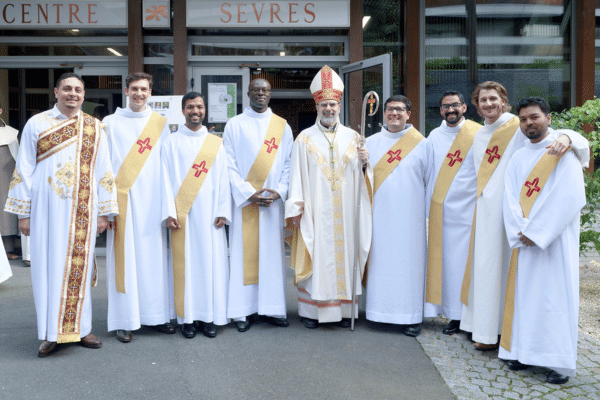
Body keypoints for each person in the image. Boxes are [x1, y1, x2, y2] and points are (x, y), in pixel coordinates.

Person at [460, 81, 589, 350]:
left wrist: (569, 137)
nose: (488, 104)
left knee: (510, 272)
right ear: (476, 105)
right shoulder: (480, 135)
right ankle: (484, 330)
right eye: (483, 100)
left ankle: (508, 333)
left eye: (493, 99)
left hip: (514, 213)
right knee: (486, 269)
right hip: (487, 212)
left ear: (503, 100)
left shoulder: (516, 126)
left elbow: (559, 137)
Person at [4, 73, 117, 357]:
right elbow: (24, 169)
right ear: (56, 92)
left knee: (80, 268)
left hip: (83, 211)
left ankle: (82, 329)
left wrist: (105, 212)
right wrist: (23, 214)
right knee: (47, 270)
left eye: (78, 90)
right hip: (45, 211)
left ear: (84, 95)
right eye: (67, 89)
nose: (73, 94)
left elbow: (104, 171)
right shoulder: (37, 124)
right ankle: (50, 333)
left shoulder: (94, 127)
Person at [500, 97, 585, 384]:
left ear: (548, 118)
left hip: (554, 243)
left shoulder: (563, 152)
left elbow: (570, 196)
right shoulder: (518, 156)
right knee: (526, 300)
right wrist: (520, 230)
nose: (528, 123)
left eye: (534, 117)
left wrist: (537, 233)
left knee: (554, 300)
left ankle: (558, 363)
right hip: (525, 242)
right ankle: (525, 353)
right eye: (523, 119)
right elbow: (508, 197)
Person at [285, 65, 372, 329]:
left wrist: (366, 164)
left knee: (346, 254)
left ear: (339, 105)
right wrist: (297, 208)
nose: (329, 109)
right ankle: (312, 313)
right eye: (324, 104)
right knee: (318, 253)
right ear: (317, 106)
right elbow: (296, 176)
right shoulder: (304, 139)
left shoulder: (355, 138)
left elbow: (364, 178)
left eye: (333, 104)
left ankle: (346, 312)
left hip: (346, 210)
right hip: (316, 209)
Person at [104, 72, 175, 343]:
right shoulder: (110, 123)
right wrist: (107, 207)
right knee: (124, 262)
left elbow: (166, 167)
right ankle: (125, 320)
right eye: (134, 89)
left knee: (153, 262)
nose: (139, 94)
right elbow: (104, 167)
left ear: (150, 92)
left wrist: (168, 207)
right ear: (126, 90)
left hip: (152, 203)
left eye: (144, 89)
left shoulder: (160, 124)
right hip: (123, 202)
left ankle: (155, 317)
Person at [223, 78, 293, 332]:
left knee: (272, 258)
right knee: (244, 256)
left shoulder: (282, 127)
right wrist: (247, 193)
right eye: (256, 90)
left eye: (264, 90)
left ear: (270, 94)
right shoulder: (234, 125)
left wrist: (280, 192)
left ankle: (272, 309)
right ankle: (242, 311)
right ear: (249, 93)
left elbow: (288, 163)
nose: (260, 94)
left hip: (272, 204)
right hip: (245, 204)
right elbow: (227, 164)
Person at [161, 92, 231, 339]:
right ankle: (187, 318)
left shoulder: (216, 143)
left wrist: (223, 210)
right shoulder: (171, 142)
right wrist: (169, 212)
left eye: (199, 107)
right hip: (183, 216)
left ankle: (209, 317)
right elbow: (165, 180)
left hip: (211, 213)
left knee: (211, 265)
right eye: (190, 107)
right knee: (186, 266)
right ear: (182, 111)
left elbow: (224, 179)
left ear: (205, 110)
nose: (195, 111)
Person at [364, 95, 430, 337]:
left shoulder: (422, 144)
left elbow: (430, 182)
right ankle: (376, 313)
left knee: (408, 267)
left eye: (400, 110)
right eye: (390, 109)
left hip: (410, 221)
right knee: (380, 263)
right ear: (383, 113)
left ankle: (410, 316)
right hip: (379, 217)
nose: (394, 114)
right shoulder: (369, 143)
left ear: (408, 114)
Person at [423, 91, 481, 335]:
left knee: (471, 266)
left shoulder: (478, 133)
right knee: (449, 267)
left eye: (455, 105)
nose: (451, 110)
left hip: (470, 212)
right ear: (440, 111)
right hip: (442, 215)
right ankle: (455, 316)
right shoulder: (434, 136)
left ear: (464, 107)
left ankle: (474, 317)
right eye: (446, 106)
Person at [0, 102, 24, 266]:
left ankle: (8, 250)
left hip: (5, 173)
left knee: (5, 211)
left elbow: (18, 155)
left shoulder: (10, 133)